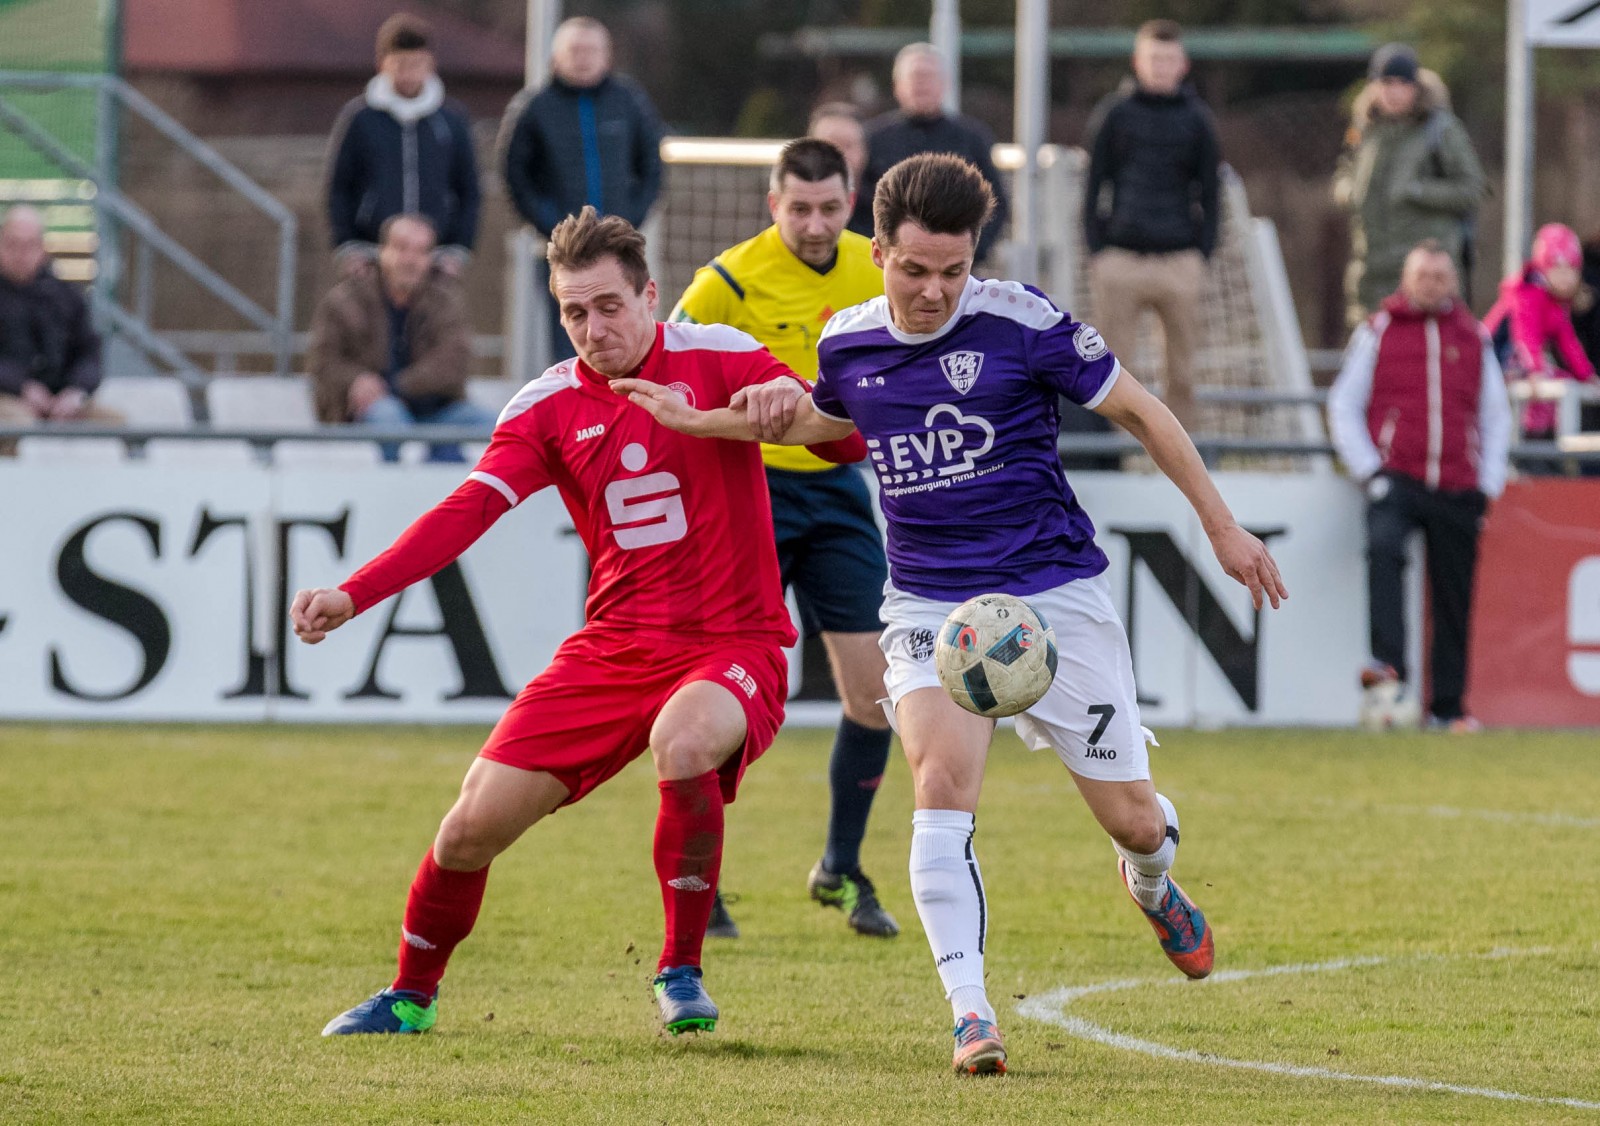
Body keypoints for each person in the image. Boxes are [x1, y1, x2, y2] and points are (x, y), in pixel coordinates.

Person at [616, 153, 1287, 1075]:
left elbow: (1142, 410)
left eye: (953, 271)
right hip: (931, 602)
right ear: (879, 251)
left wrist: (1222, 526)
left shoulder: (1024, 323)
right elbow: (824, 423)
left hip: (1051, 595)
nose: (933, 291)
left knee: (1134, 820)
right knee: (940, 785)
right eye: (914, 269)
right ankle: (972, 1016)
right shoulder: (849, 341)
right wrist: (704, 422)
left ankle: (1150, 879)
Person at [299, 207, 866, 1039]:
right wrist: (354, 593)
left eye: (608, 306)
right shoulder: (547, 407)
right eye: (573, 312)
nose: (592, 329)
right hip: (612, 650)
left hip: (733, 643)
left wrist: (791, 398)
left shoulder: (718, 355)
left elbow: (842, 439)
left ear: (650, 296)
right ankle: (409, 995)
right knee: (466, 830)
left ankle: (680, 971)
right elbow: (466, 512)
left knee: (684, 742)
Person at [670, 138, 897, 940]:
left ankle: (840, 866)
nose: (815, 223)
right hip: (750, 493)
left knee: (875, 690)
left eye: (830, 208)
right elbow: (665, 368)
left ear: (852, 202)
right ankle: (705, 876)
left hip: (838, 491)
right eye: (799, 209)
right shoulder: (725, 281)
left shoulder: (881, 268)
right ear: (774, 206)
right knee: (724, 695)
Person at [1328, 241, 1511, 733]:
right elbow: (1344, 402)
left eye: (1440, 276)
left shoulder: (1473, 336)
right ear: (1407, 280)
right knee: (1384, 552)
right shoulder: (1379, 330)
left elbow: (1496, 416)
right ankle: (1390, 686)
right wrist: (1369, 470)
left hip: (1457, 482)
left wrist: (1487, 484)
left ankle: (1448, 707)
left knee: (1454, 593)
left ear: (1452, 282)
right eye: (1423, 276)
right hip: (1398, 477)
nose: (1432, 284)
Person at [1082, 19, 1221, 434]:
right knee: (1111, 372)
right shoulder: (1114, 114)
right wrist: (1098, 250)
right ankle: (1113, 459)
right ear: (1137, 62)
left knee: (1182, 374)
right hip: (1121, 259)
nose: (1161, 67)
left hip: (1179, 260)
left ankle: (1182, 464)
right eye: (1153, 59)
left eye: (1169, 59)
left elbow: (1211, 192)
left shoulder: (1198, 120)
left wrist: (1202, 254)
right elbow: (1093, 187)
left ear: (1183, 64)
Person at [501, 16, 666, 363]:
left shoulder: (629, 102)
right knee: (572, 334)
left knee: (630, 324)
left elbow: (652, 166)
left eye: (591, 50)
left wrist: (630, 218)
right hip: (562, 248)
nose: (583, 57)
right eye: (575, 50)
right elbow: (515, 174)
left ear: (607, 56)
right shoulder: (534, 107)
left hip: (621, 245)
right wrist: (550, 222)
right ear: (556, 56)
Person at [307, 213, 494, 462]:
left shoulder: (447, 301)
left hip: (437, 409)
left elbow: (453, 362)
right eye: (401, 248)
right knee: (389, 418)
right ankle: (392, 495)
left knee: (504, 428)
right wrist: (357, 380)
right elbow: (323, 362)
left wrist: (392, 386)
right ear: (382, 251)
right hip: (371, 411)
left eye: (421, 251)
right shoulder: (344, 300)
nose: (410, 260)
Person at [1334, 43, 1486, 327]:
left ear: (1415, 86)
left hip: (1425, 279)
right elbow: (1344, 171)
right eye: (1385, 82)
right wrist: (1349, 192)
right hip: (1369, 273)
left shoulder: (1439, 129)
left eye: (1402, 83)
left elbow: (1472, 189)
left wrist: (1417, 191)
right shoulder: (1365, 129)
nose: (1393, 91)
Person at [325, 13, 481, 278]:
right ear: (381, 64)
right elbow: (339, 186)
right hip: (371, 255)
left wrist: (459, 248)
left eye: (416, 63)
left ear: (430, 64)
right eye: (399, 64)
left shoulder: (451, 120)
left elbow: (469, 189)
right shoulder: (359, 119)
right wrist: (347, 246)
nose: (408, 72)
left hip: (436, 258)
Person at [851, 44, 1010, 264]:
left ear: (945, 85)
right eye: (914, 77)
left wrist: (970, 253)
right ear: (897, 86)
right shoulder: (873, 138)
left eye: (928, 77)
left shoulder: (973, 138)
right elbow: (860, 201)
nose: (920, 85)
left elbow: (994, 201)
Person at [0, 205, 122, 454]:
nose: (20, 254)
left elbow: (89, 353)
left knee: (117, 425)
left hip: (58, 399)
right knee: (19, 424)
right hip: (8, 397)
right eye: (12, 244)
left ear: (42, 248)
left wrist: (75, 392)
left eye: (29, 245)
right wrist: (22, 387)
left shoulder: (66, 296)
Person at [1482, 223, 1596, 441]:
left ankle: (1545, 443)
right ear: (1543, 268)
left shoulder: (1557, 303)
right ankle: (1529, 443)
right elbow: (1526, 335)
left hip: (1521, 361)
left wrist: (1587, 375)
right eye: (1558, 270)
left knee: (1562, 382)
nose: (1565, 278)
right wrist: (1535, 370)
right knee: (1544, 386)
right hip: (1496, 358)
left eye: (1571, 270)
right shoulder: (1529, 294)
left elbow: (1568, 342)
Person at [808, 103, 870, 237]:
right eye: (830, 145)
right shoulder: (789, 213)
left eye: (848, 145)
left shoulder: (884, 214)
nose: (839, 154)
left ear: (864, 153)